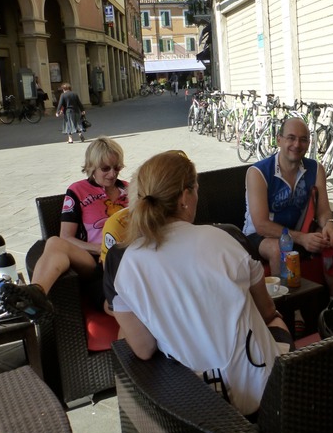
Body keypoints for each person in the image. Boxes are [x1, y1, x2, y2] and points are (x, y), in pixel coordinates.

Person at [103, 150, 292, 416]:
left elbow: (143, 350)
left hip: (196, 406)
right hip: (262, 392)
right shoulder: (224, 239)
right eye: (196, 189)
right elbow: (266, 311)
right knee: (276, 321)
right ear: (184, 197)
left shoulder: (126, 266)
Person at [1, 137, 128, 320]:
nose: (112, 174)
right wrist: (101, 248)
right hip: (94, 260)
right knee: (55, 242)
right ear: (92, 166)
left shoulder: (130, 190)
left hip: (128, 257)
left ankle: (35, 298)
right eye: (106, 168)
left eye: (117, 168)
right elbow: (66, 237)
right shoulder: (78, 190)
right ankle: (35, 295)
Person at [242, 117, 333, 297]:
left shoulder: (315, 169)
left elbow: (323, 211)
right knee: (279, 249)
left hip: (300, 230)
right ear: (279, 140)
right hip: (260, 236)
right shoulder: (258, 172)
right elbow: (261, 225)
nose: (297, 144)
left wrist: (330, 224)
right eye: (291, 138)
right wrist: (302, 238)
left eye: (303, 139)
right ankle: (292, 313)